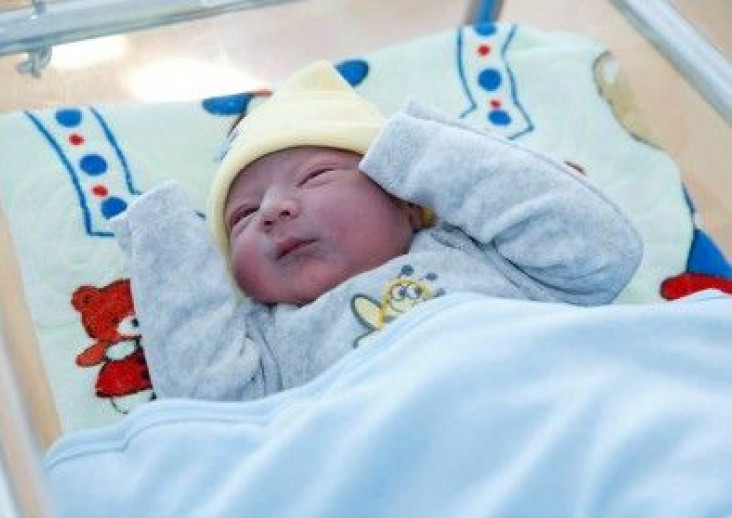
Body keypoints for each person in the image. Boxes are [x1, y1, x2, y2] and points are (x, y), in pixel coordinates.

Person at [110, 61, 643, 401]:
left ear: (405, 196)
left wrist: (413, 148)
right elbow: (205, 408)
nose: (271, 210)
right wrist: (166, 242)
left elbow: (601, 249)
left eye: (315, 176)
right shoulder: (268, 346)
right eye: (242, 217)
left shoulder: (483, 253)